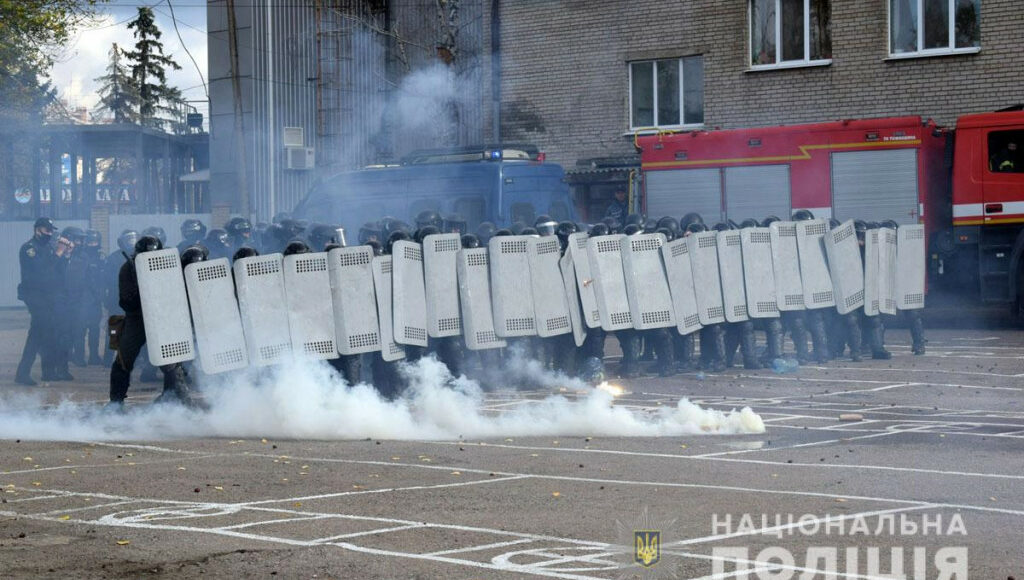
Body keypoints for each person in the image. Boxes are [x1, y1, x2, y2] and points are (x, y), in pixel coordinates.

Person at [107, 236, 193, 411]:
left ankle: (178, 399)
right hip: (137, 318)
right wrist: (142, 292)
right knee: (123, 359)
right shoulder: (128, 269)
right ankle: (116, 402)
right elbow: (125, 301)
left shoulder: (167, 267)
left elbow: (176, 293)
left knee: (170, 360)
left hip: (162, 318)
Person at [16, 218, 64, 385]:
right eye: (47, 230)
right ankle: (22, 373)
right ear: (37, 230)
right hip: (34, 296)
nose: (49, 233)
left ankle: (48, 371)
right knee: (37, 334)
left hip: (48, 296)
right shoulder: (30, 249)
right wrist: (58, 253)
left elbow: (57, 271)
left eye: (51, 231)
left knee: (49, 333)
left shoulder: (47, 247)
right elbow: (41, 270)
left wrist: (66, 253)